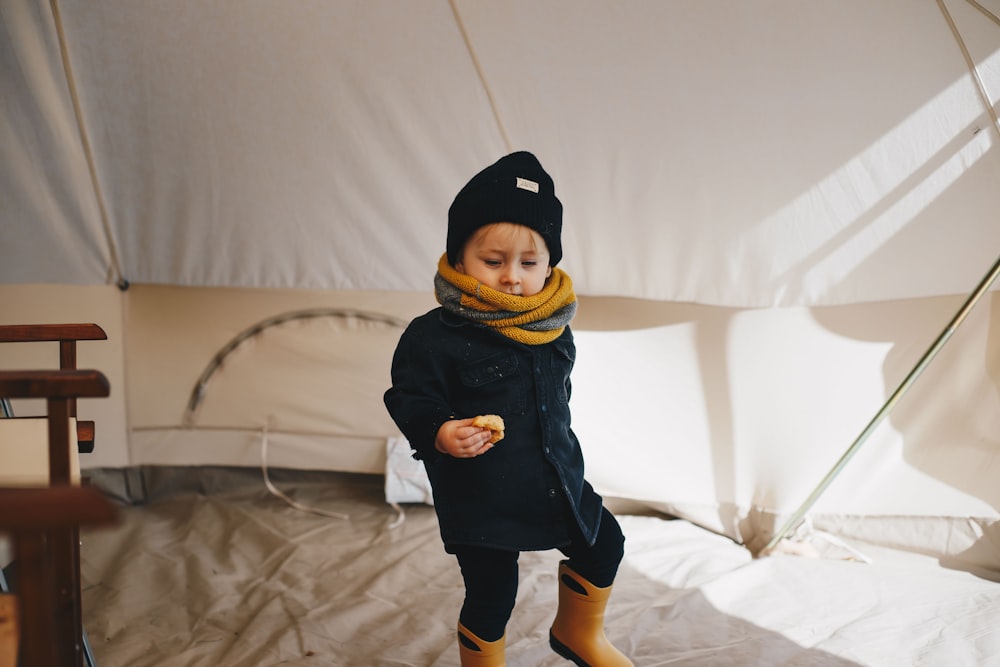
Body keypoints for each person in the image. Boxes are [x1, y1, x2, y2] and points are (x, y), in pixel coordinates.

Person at [384, 151, 632, 667]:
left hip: (554, 477)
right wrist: (440, 431)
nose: (512, 277)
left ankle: (577, 633)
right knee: (493, 594)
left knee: (605, 544)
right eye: (493, 261)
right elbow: (409, 398)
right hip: (482, 495)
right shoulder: (433, 337)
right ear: (457, 259)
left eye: (529, 263)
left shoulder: (550, 324)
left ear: (550, 265)